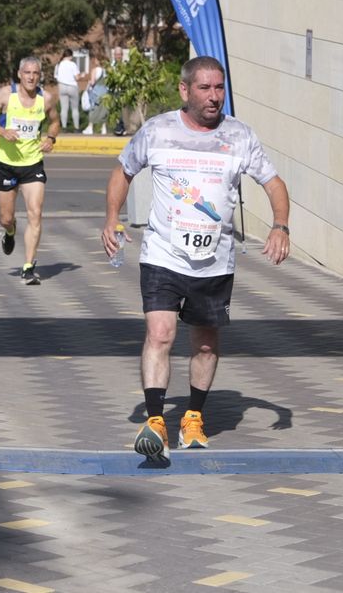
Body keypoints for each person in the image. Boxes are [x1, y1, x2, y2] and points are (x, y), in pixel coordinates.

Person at [102, 56, 291, 458]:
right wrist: (112, 219)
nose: (214, 97)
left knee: (205, 345)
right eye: (205, 88)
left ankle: (192, 417)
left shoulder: (239, 136)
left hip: (215, 260)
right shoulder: (158, 130)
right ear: (185, 90)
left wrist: (280, 225)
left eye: (219, 88)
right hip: (163, 254)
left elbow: (273, 182)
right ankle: (155, 421)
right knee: (161, 333)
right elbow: (123, 171)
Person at [0, 56, 60, 285]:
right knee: (6, 218)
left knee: (35, 213)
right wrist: (2, 131)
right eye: (27, 72)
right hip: (6, 163)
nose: (31, 77)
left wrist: (51, 138)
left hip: (33, 163)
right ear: (19, 74)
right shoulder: (7, 94)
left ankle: (28, 266)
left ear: (39, 75)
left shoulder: (46, 98)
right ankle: (10, 231)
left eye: (35, 73)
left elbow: (55, 121)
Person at [54, 49, 83, 132]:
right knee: (74, 108)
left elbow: (56, 77)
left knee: (64, 108)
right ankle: (76, 127)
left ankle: (64, 127)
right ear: (70, 56)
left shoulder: (58, 65)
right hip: (72, 86)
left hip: (62, 86)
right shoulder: (72, 64)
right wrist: (82, 75)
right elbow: (77, 77)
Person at [82, 54, 110, 135]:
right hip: (105, 92)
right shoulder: (106, 70)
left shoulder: (95, 70)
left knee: (93, 109)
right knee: (104, 110)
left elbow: (93, 82)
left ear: (98, 60)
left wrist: (89, 82)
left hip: (96, 91)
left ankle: (90, 127)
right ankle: (103, 128)